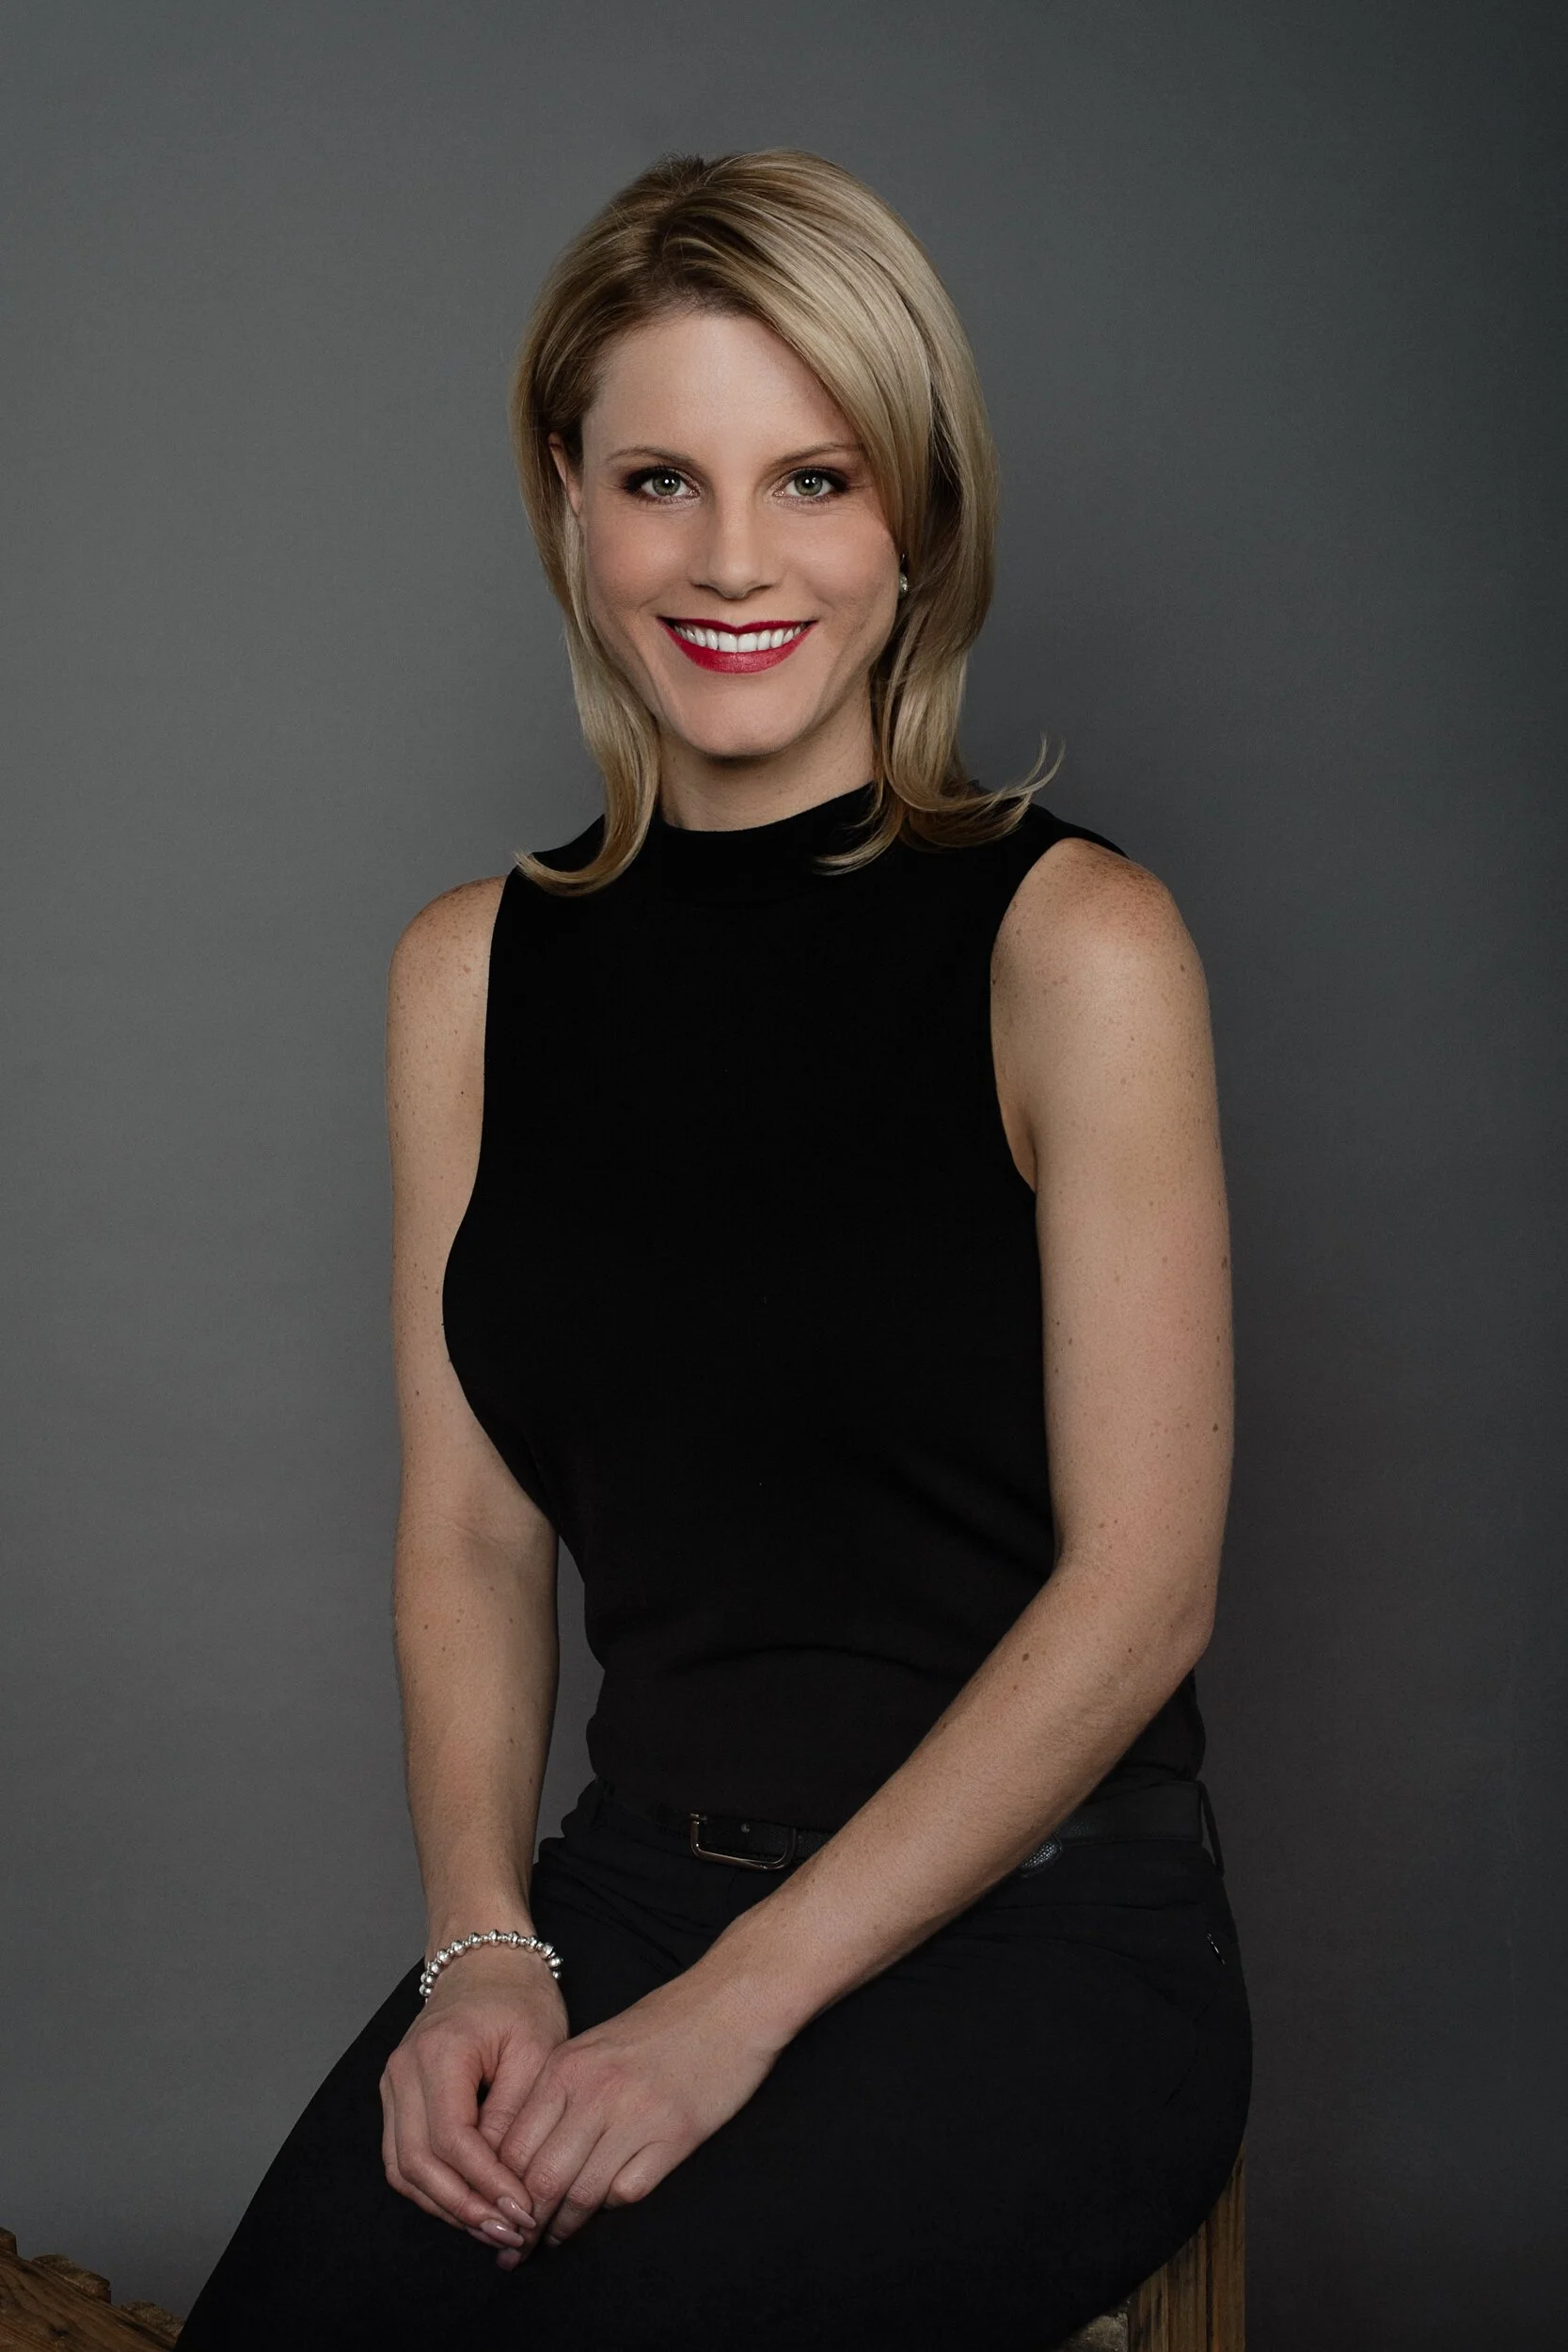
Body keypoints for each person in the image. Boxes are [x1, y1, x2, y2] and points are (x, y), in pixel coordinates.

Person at [178, 149, 1251, 2351]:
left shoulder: (1073, 943)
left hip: (1037, 1944)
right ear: (565, 502)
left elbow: (1138, 1596)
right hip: (622, 1890)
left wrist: (733, 2012)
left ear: (914, 520)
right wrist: (487, 1947)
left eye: (814, 476)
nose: (733, 558)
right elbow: (470, 1533)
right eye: (659, 475)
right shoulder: (466, 974)